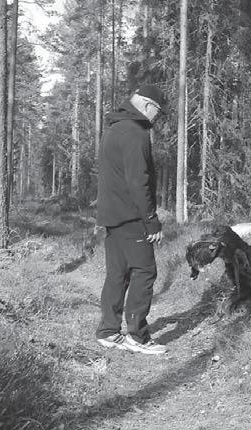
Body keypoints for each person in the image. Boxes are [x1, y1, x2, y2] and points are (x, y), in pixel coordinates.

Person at [95, 84, 168, 355]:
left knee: (117, 273)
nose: (157, 117)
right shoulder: (135, 133)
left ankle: (108, 330)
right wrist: (151, 221)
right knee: (145, 271)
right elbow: (139, 182)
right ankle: (138, 337)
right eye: (158, 111)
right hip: (131, 216)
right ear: (148, 105)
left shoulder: (114, 129)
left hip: (112, 215)